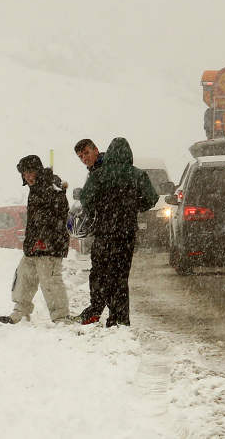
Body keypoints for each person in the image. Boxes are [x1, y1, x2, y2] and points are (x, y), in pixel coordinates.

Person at [74, 137, 158, 327]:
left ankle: (100, 311)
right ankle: (120, 318)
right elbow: (151, 199)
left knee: (100, 273)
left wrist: (101, 208)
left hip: (105, 232)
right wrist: (135, 205)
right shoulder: (137, 174)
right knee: (120, 276)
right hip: (126, 233)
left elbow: (86, 200)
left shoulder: (99, 175)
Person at [0, 154, 74, 325]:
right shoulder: (35, 190)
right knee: (24, 276)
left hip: (51, 245)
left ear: (38, 171)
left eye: (31, 172)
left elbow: (59, 215)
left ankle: (61, 317)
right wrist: (32, 241)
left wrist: (45, 238)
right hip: (33, 244)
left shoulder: (52, 186)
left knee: (50, 281)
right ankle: (20, 312)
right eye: (25, 174)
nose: (28, 177)